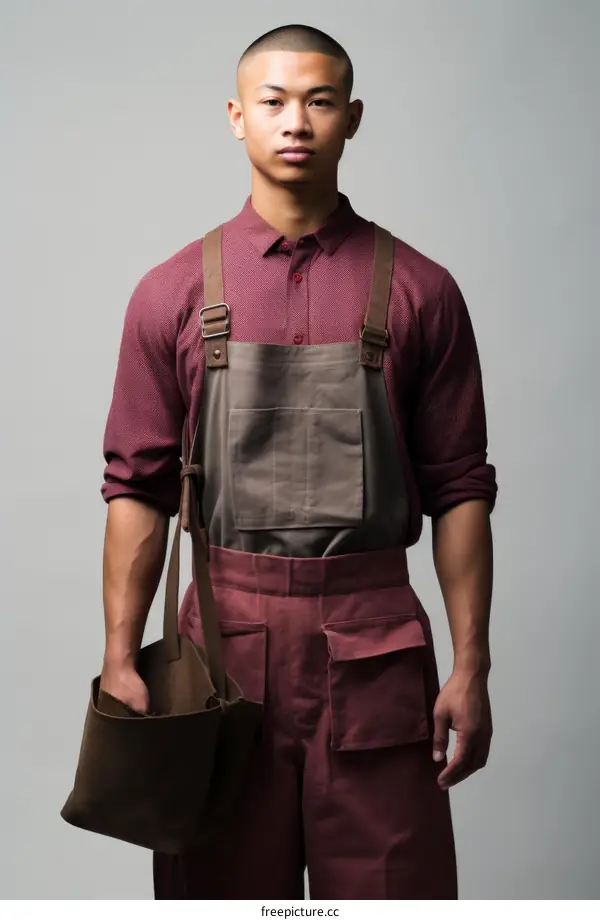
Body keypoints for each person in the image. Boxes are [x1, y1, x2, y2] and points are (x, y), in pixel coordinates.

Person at [99, 23, 497, 900]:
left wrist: (472, 665)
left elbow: (462, 488)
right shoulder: (171, 293)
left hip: (376, 645)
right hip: (222, 656)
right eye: (273, 101)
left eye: (319, 101)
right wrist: (121, 654)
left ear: (352, 118)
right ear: (236, 116)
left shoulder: (422, 290)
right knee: (222, 896)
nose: (296, 121)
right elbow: (137, 488)